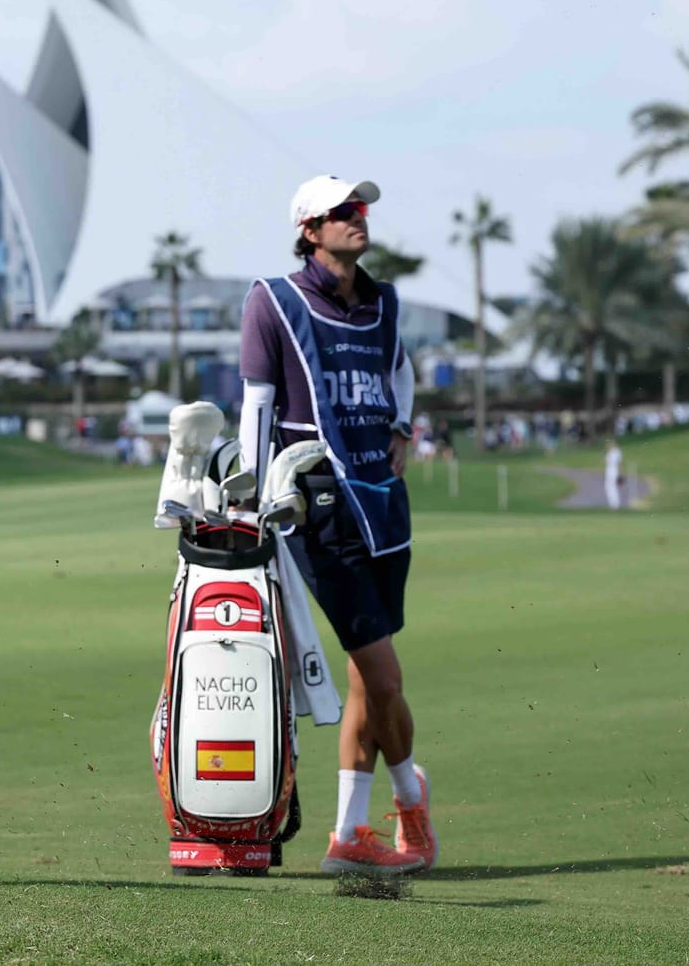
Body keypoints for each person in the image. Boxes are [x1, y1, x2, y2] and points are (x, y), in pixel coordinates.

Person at [237, 175, 432, 876]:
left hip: (384, 505)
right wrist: (248, 501)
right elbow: (258, 405)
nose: (359, 217)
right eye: (343, 211)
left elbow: (401, 370)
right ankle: (411, 800)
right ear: (310, 230)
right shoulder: (272, 300)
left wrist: (403, 425)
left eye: (362, 208)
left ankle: (351, 833)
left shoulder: (384, 302)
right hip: (319, 506)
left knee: (364, 677)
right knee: (382, 674)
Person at [604, 438, 624, 510]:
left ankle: (615, 504)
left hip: (614, 471)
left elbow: (619, 463)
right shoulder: (610, 452)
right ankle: (612, 504)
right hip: (609, 470)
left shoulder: (617, 452)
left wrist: (620, 474)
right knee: (608, 487)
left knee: (613, 487)